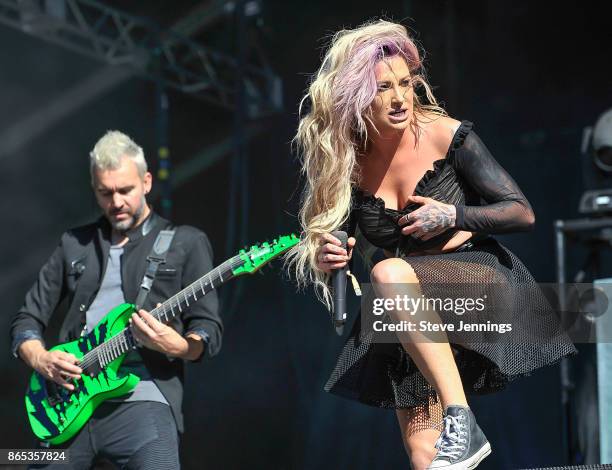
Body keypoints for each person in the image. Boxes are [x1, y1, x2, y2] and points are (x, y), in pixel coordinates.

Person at [287, 20, 576, 470]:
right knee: (426, 455)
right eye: (383, 88)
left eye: (405, 83)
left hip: (475, 279)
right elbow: (338, 243)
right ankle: (458, 437)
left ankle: (463, 418)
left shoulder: (445, 134)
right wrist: (330, 259)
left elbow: (522, 212)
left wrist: (454, 214)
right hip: (408, 308)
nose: (400, 98)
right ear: (356, 95)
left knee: (387, 271)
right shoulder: (347, 160)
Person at [11, 131, 222, 469]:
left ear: (147, 181)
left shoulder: (186, 242)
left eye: (125, 190)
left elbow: (207, 328)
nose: (116, 202)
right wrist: (40, 359)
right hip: (67, 401)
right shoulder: (73, 244)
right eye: (105, 193)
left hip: (143, 396)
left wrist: (178, 346)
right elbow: (26, 320)